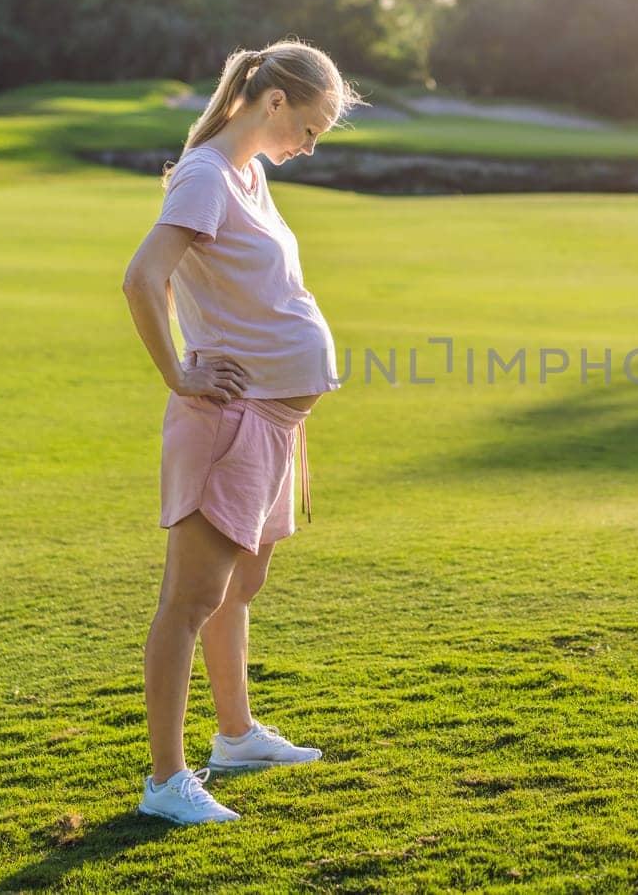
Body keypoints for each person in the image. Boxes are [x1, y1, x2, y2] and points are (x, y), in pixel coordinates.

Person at [121, 40, 366, 824]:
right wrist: (178, 373)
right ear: (275, 102)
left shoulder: (248, 173)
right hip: (230, 419)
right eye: (312, 125)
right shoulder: (204, 176)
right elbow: (142, 276)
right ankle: (165, 781)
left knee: (239, 586)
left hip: (272, 421)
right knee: (189, 599)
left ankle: (235, 735)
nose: (311, 143)